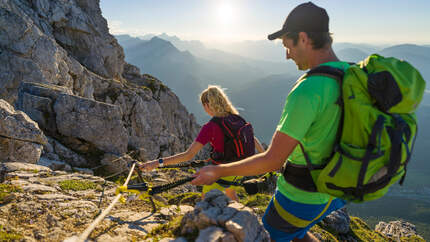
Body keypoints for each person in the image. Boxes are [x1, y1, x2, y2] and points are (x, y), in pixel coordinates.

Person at [191, 2, 348, 241]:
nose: (287, 55)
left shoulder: (309, 89)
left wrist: (218, 170)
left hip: (303, 194)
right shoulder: (351, 74)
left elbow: (273, 160)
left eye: (287, 46)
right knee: (297, 231)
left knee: (269, 234)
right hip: (341, 188)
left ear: (303, 38)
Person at [139, 85, 265, 201]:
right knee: (230, 191)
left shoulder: (210, 127)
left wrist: (157, 163)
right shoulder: (236, 118)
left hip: (222, 170)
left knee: (206, 201)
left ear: (207, 105)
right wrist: (265, 156)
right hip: (242, 167)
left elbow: (188, 155)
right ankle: (240, 219)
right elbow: (252, 138)